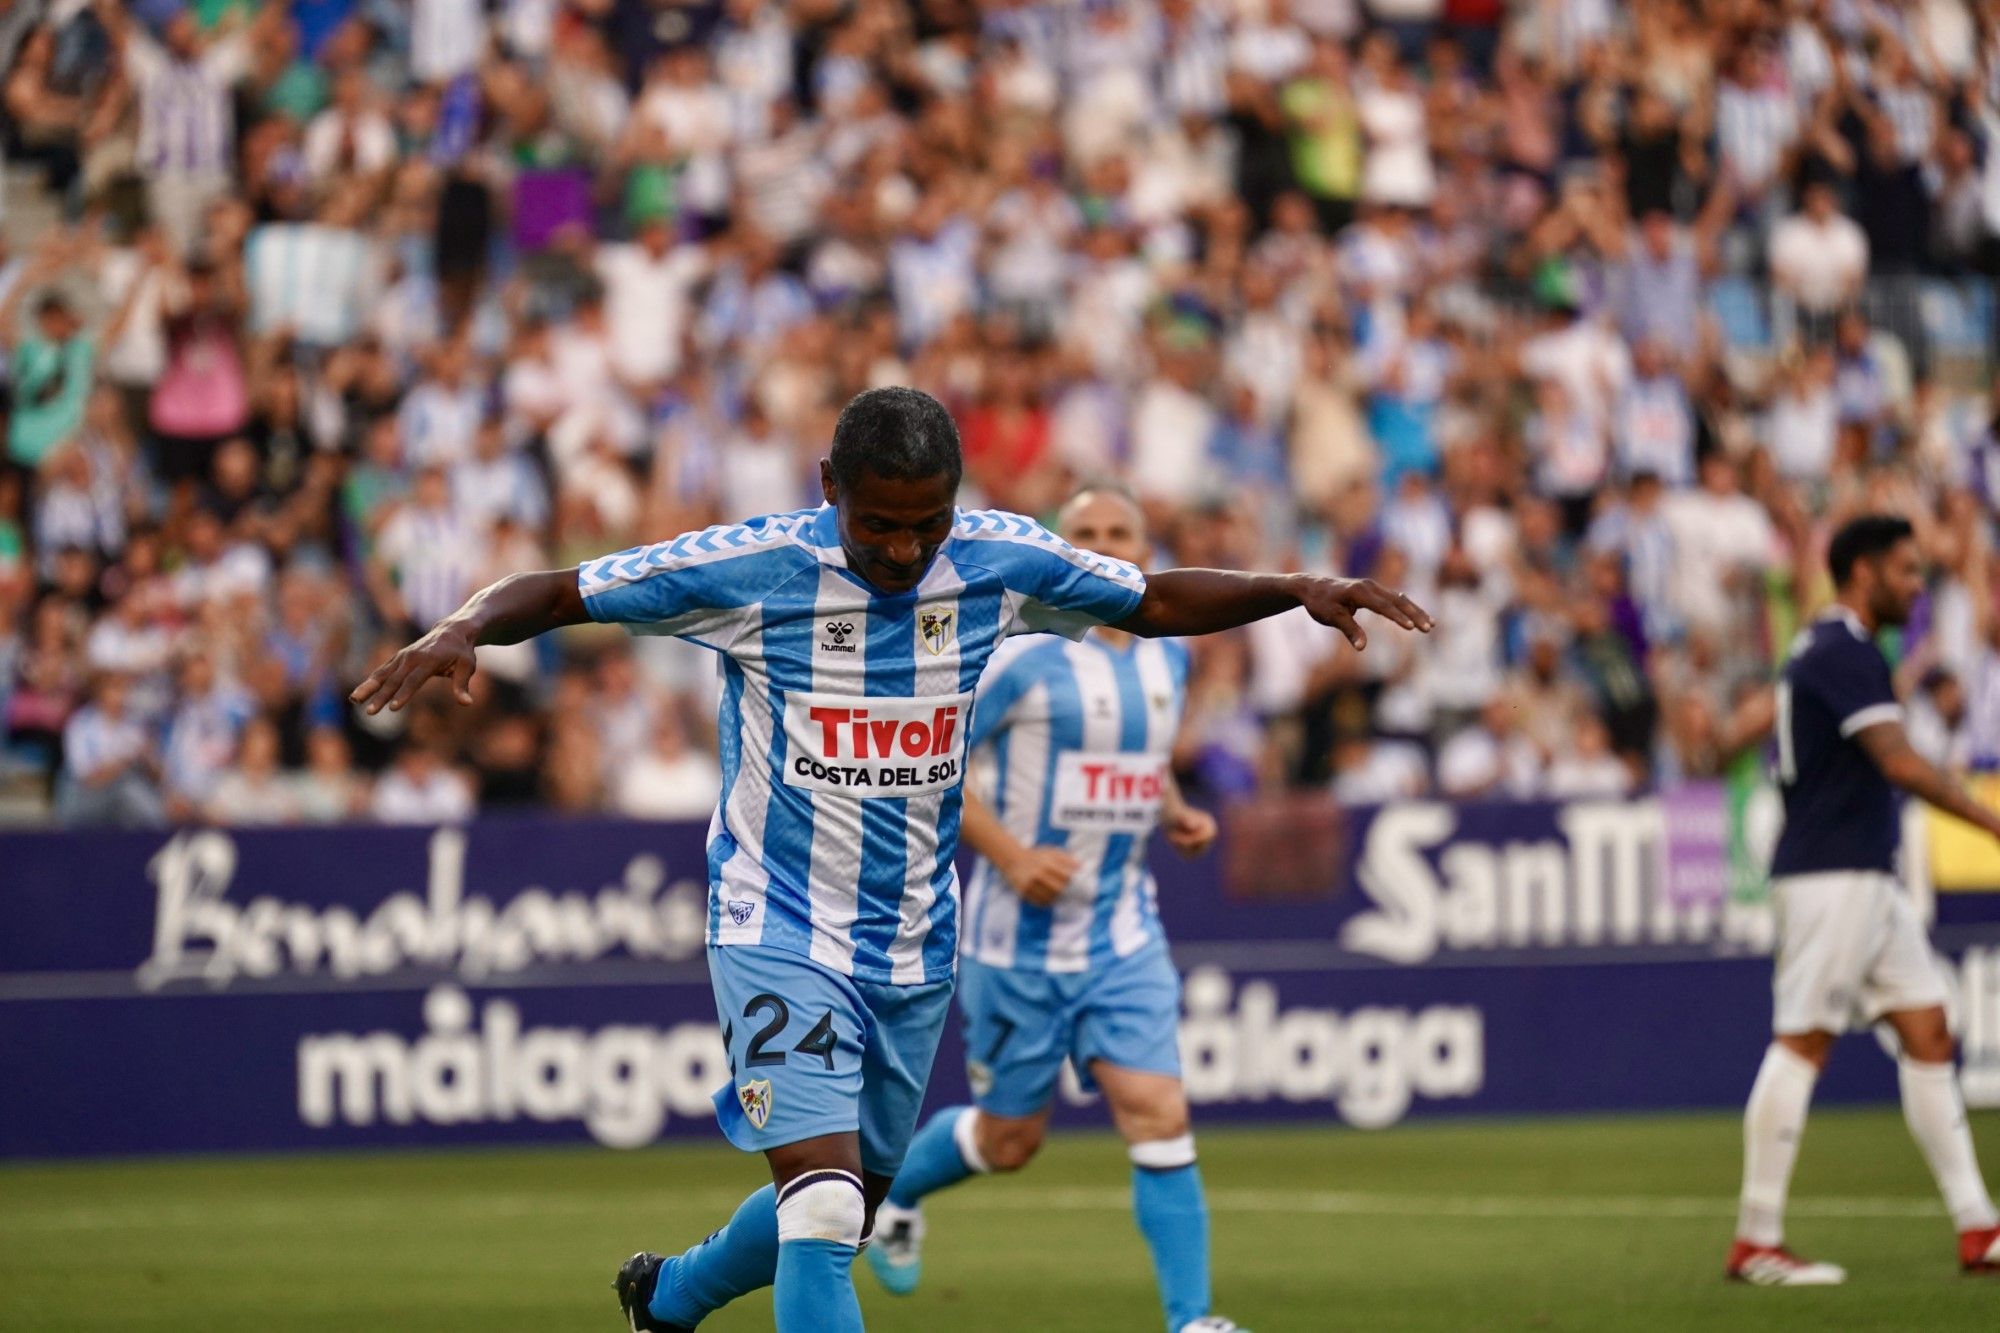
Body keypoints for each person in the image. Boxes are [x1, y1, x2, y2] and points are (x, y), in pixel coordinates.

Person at [350, 387, 1431, 1333]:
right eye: (878, 527)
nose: (904, 551)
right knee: (821, 1205)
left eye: (927, 524)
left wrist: (1291, 585)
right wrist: (463, 624)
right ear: (829, 487)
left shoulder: (998, 561)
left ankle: (670, 1295)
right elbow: (562, 588)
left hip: (911, 940)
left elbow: (1146, 601)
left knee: (843, 1208)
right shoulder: (754, 567)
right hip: (773, 917)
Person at [863, 483, 1244, 1333]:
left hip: (1122, 932)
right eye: (1086, 534)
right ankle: (895, 1198)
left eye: (1120, 532)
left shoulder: (1166, 656)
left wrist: (1171, 808)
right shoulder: (1021, 657)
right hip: (1017, 941)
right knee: (1010, 1142)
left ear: (1143, 546)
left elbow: (1139, 759)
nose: (1105, 544)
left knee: (1158, 1108)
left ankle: (1193, 1320)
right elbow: (928, 765)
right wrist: (1009, 854)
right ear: (1060, 549)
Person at [1728, 514, 2000, 1285]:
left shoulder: (1832, 647)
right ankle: (1755, 1240)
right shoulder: (1843, 649)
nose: (1918, 589)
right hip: (1831, 874)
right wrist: (1991, 820)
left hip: (1862, 874)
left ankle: (1979, 1226)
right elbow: (1900, 762)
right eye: (1907, 572)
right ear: (1865, 572)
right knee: (1804, 1039)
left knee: (1927, 1028)